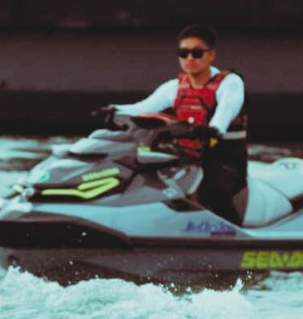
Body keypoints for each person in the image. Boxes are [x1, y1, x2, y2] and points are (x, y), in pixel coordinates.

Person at [106, 24, 248, 224]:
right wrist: (114, 110)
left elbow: (226, 111)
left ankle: (233, 241)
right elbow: (142, 108)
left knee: (213, 191)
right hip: (185, 157)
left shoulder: (230, 83)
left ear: (211, 55)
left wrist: (214, 128)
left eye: (197, 53)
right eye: (184, 53)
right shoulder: (175, 87)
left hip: (223, 160)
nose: (190, 58)